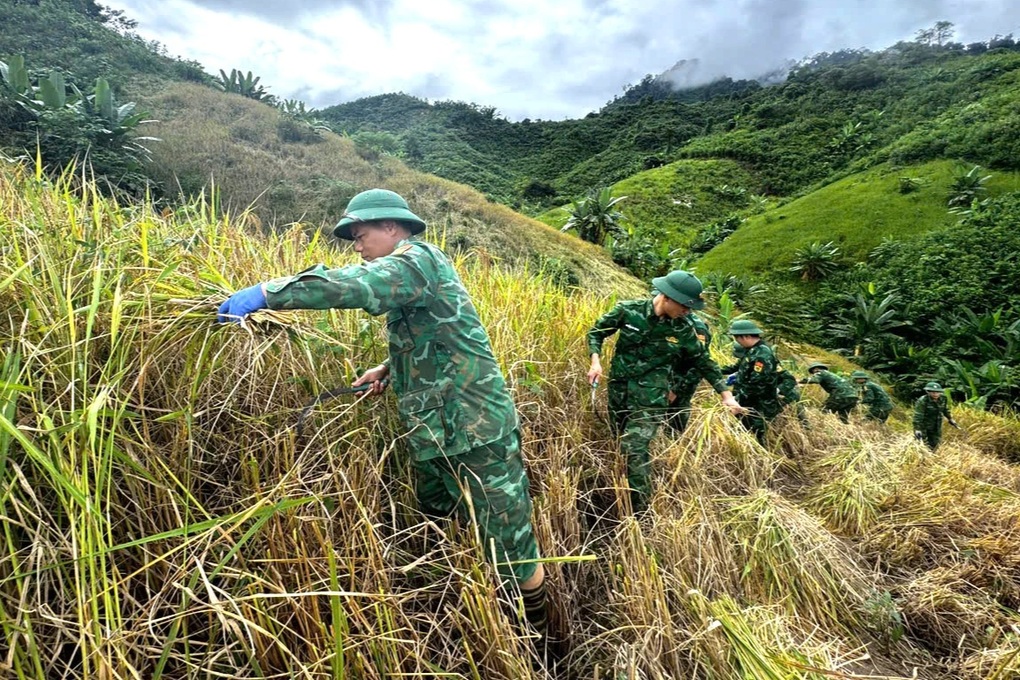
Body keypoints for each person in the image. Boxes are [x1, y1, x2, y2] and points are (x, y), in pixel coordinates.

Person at [217, 189, 552, 642]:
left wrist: (267, 293)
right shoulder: (414, 272)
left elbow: (358, 284)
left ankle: (536, 636)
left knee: (509, 542)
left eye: (360, 235)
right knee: (441, 512)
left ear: (391, 227)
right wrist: (391, 368)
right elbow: (439, 335)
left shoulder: (416, 261)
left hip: (476, 426)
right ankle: (459, 603)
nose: (357, 246)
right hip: (434, 427)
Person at [586, 270, 743, 512]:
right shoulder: (628, 311)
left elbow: (704, 362)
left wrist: (726, 396)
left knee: (634, 448)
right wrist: (595, 361)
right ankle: (619, 492)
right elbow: (597, 332)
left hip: (652, 398)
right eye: (685, 305)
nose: (688, 311)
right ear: (667, 297)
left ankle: (640, 514)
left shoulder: (682, 330)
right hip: (619, 391)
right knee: (620, 442)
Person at [728, 319, 781, 444]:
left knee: (757, 436)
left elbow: (758, 383)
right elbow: (737, 367)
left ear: (745, 336)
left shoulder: (763, 354)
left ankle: (763, 461)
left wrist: (737, 399)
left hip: (759, 405)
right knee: (745, 433)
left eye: (737, 339)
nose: (738, 342)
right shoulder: (751, 351)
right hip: (748, 402)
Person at [665, 311, 712, 434]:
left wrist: (677, 390)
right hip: (669, 374)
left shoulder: (697, 328)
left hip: (684, 378)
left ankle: (674, 440)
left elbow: (699, 364)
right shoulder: (671, 318)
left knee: (678, 408)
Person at [913, 381, 958, 450]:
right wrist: (917, 429)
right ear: (928, 392)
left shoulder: (943, 399)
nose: (935, 394)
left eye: (937, 392)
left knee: (936, 443)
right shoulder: (923, 401)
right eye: (933, 392)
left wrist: (950, 419)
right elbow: (918, 415)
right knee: (922, 443)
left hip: (936, 424)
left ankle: (934, 456)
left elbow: (945, 409)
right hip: (924, 425)